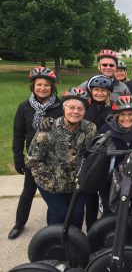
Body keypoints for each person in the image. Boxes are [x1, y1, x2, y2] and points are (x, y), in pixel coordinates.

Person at [26, 88, 96, 229]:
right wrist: (52, 181)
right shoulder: (48, 129)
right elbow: (33, 160)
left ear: (84, 111)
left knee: (76, 215)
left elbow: (93, 154)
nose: (75, 111)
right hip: (50, 182)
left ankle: (75, 243)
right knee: (60, 214)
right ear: (64, 108)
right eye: (71, 107)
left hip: (76, 183)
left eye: (80, 109)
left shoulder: (90, 129)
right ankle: (54, 244)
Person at [8, 67, 63, 240]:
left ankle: (51, 228)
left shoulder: (60, 106)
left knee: (53, 193)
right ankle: (19, 223)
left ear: (52, 87)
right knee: (28, 192)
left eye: (47, 85)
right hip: (34, 159)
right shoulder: (24, 107)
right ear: (33, 86)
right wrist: (18, 158)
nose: (43, 88)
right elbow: (18, 134)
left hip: (54, 158)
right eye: (39, 84)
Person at [83, 75, 114, 230]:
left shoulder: (112, 109)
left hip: (108, 156)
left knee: (107, 193)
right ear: (91, 91)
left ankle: (106, 228)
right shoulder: (85, 108)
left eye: (103, 90)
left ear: (108, 93)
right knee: (90, 196)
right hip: (89, 155)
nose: (100, 93)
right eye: (96, 90)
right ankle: (91, 228)